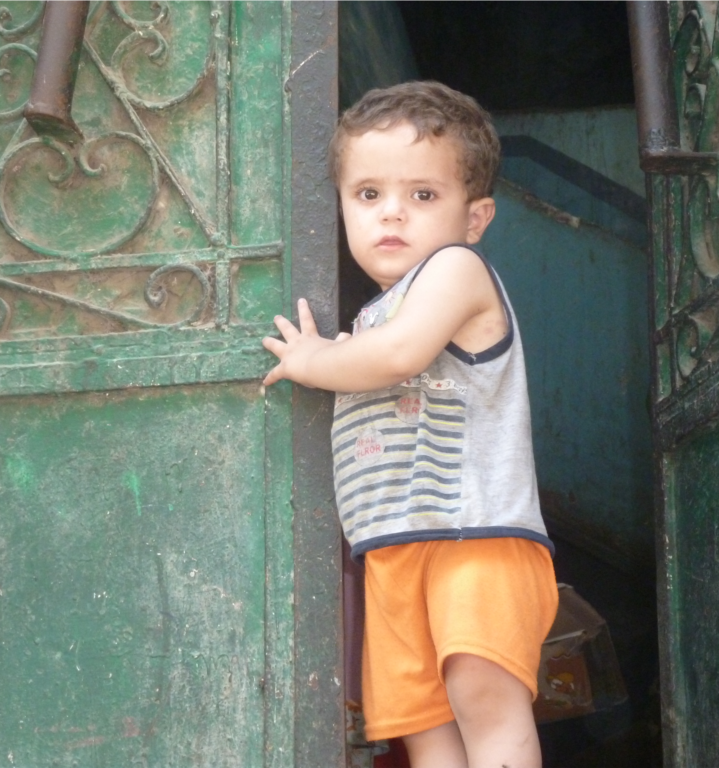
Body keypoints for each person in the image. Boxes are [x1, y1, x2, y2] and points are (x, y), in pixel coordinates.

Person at [262, 81, 558, 768]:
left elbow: (398, 355)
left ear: (475, 216)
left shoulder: (458, 270)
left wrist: (315, 359)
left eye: (422, 196)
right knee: (423, 728)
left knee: (483, 698)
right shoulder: (372, 313)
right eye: (368, 195)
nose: (391, 214)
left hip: (473, 536)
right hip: (392, 552)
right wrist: (336, 353)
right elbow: (379, 348)